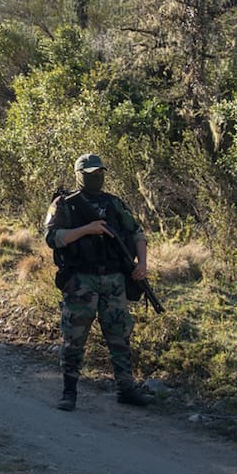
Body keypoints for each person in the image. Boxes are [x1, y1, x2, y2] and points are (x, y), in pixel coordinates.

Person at [44, 152, 154, 410]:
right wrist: (87, 230)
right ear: (80, 175)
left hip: (114, 279)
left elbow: (137, 233)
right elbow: (52, 238)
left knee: (120, 335)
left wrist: (142, 264)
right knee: (74, 336)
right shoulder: (64, 204)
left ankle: (126, 388)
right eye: (91, 174)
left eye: (100, 172)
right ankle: (69, 391)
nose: (97, 177)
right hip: (81, 280)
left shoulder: (114, 204)